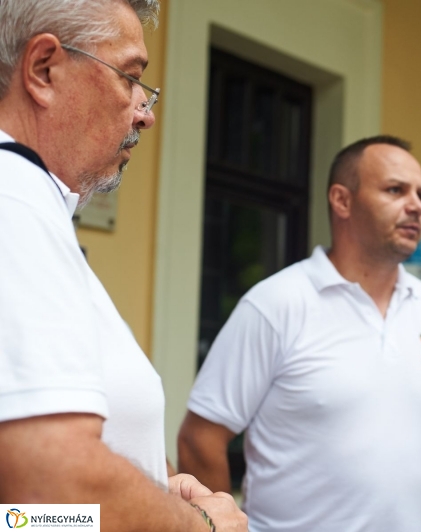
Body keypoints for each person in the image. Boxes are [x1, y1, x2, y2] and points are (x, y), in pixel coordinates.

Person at [0, 1, 246, 530]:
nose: (146, 112)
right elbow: (47, 496)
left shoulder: (32, 203)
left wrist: (158, 495)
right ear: (44, 69)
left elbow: (19, 518)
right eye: (130, 78)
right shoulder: (13, 196)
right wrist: (201, 526)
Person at [178, 135, 421, 532]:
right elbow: (200, 438)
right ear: (342, 200)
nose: (417, 205)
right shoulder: (276, 303)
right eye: (396, 190)